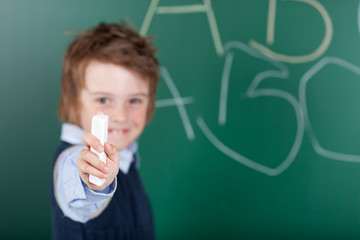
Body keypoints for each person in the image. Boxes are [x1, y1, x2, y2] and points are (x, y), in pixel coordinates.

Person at [50, 21, 159, 240]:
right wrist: (95, 181)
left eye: (135, 100)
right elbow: (81, 190)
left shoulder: (127, 160)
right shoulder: (73, 159)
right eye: (103, 99)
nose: (121, 116)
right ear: (73, 102)